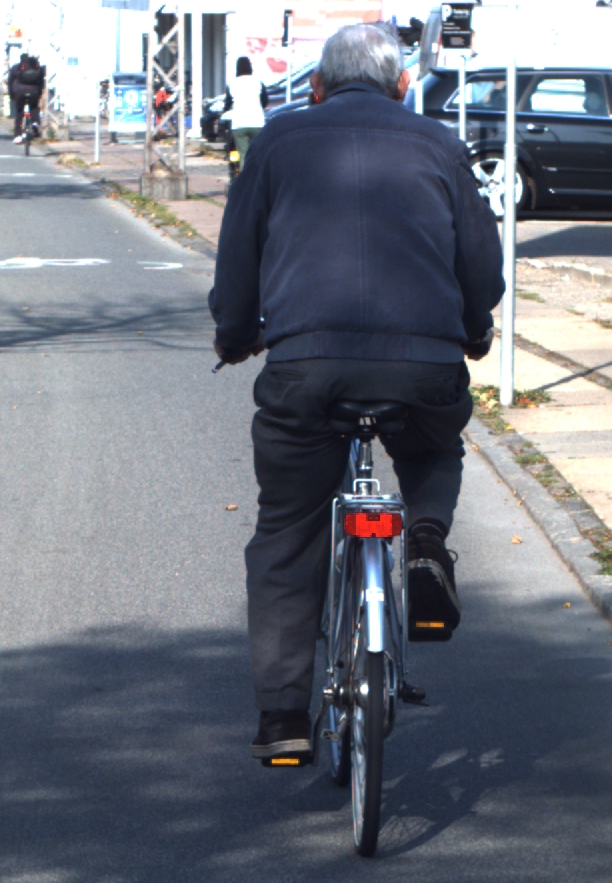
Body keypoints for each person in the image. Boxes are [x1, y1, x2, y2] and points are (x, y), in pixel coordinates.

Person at [208, 22, 503, 763]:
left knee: (287, 532)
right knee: (432, 448)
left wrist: (235, 334)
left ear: (315, 87)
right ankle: (426, 541)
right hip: (423, 363)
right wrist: (472, 329)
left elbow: (237, 259)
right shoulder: (439, 144)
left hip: (307, 366)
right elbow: (482, 266)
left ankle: (284, 719)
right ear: (404, 85)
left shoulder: (276, 143)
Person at [222, 55, 267, 178]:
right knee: (258, 154)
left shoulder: (232, 84)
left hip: (239, 124)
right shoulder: (259, 82)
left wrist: (226, 109)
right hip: (258, 123)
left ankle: (245, 180)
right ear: (250, 67)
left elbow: (227, 104)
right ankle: (259, 179)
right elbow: (265, 101)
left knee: (243, 154)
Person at [10, 54, 44, 142]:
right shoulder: (36, 67)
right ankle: (35, 123)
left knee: (19, 112)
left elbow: (10, 81)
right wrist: (39, 94)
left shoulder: (16, 68)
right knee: (34, 107)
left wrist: (12, 95)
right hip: (34, 92)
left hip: (19, 92)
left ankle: (18, 135)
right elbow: (41, 83)